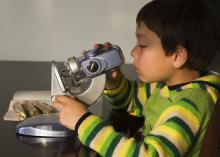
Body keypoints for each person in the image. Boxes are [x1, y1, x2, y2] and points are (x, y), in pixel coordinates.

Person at [52, 0, 220, 156]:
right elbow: (134, 101)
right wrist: (112, 82)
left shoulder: (189, 105)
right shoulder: (166, 85)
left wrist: (83, 122)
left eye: (143, 45)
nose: (133, 52)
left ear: (177, 55)